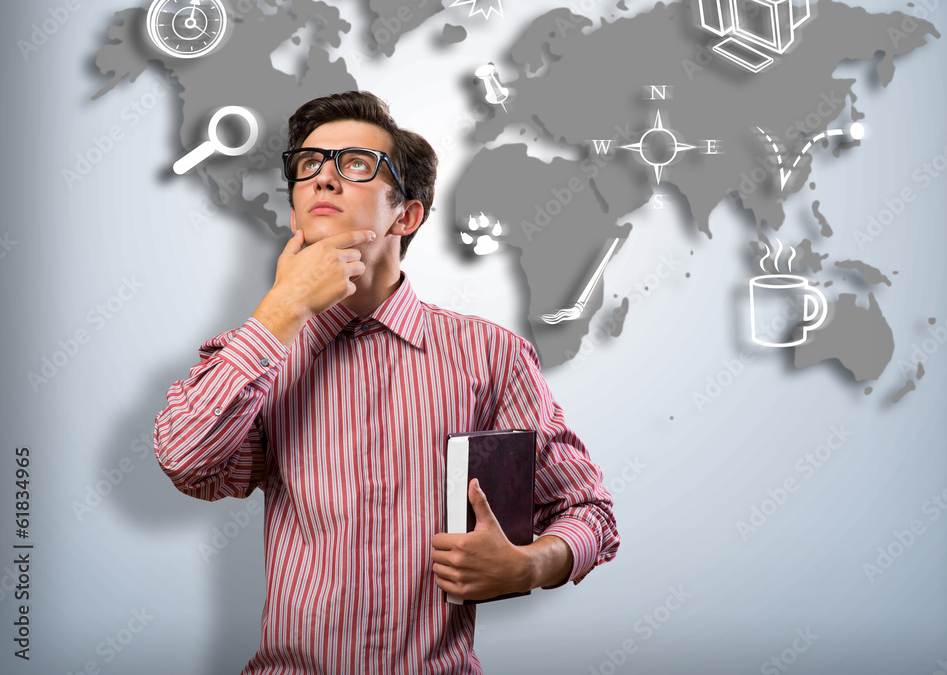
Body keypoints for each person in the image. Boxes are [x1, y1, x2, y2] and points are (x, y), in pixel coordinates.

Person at [154, 90, 620, 674]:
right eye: (308, 165)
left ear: (406, 215)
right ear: (295, 211)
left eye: (354, 164)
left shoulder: (489, 354)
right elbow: (184, 461)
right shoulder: (263, 355)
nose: (323, 177)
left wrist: (529, 566)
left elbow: (588, 510)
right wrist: (282, 310)